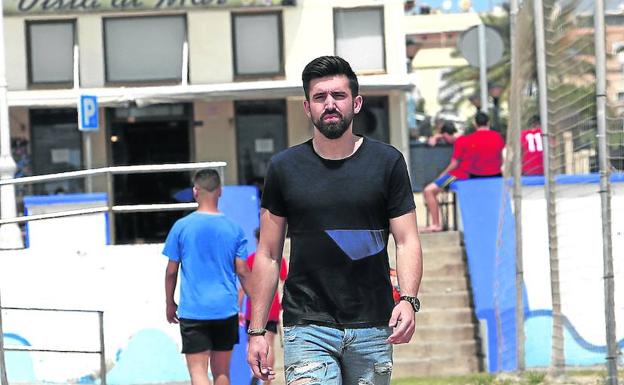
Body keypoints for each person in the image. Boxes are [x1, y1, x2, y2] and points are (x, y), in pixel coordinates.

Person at [246, 55, 423, 385]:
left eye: (338, 96)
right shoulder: (284, 168)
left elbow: (407, 239)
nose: (329, 104)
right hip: (307, 324)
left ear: (356, 103)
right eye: (319, 97)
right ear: (307, 107)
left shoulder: (388, 162)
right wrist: (258, 331)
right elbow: (269, 254)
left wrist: (410, 300)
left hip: (372, 325)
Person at [164, 169, 252, 385]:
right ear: (220, 191)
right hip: (225, 308)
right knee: (222, 373)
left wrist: (169, 303)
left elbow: (171, 271)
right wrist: (258, 303)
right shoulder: (234, 229)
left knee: (198, 372)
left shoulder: (181, 227)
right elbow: (243, 272)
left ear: (195, 191)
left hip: (194, 311)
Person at [421, 112, 504, 232]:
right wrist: (439, 136)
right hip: (487, 175)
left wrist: (442, 175)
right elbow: (500, 159)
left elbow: (454, 164)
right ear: (488, 123)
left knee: (429, 191)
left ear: (475, 124)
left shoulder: (464, 140)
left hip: (460, 174)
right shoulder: (494, 137)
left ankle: (436, 224)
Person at [240, 228, 288, 385]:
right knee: (270, 345)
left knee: (253, 342)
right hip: (272, 308)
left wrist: (238, 308)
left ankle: (257, 372)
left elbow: (242, 287)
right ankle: (268, 380)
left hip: (253, 310)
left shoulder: (252, 259)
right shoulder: (278, 260)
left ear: (256, 240)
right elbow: (284, 283)